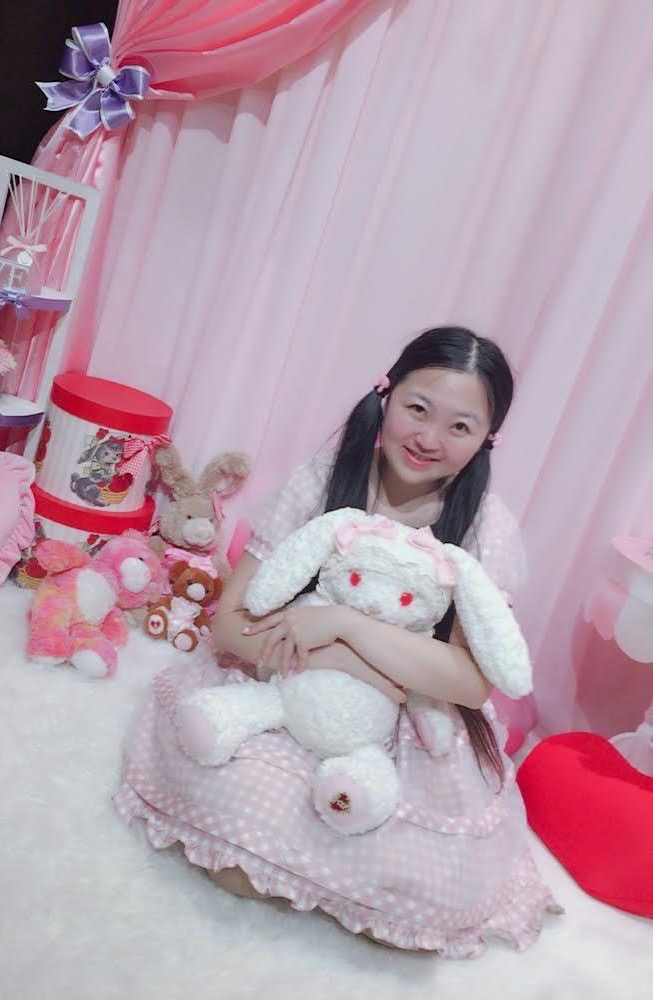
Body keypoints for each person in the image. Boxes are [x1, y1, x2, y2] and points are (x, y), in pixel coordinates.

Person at [116, 326, 561, 959]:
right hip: (284, 680)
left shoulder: (486, 526)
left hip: (408, 719)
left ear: (487, 438)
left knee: (422, 897)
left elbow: (468, 681)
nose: (429, 439)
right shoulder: (325, 480)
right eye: (418, 409)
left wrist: (346, 627)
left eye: (460, 427)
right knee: (235, 856)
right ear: (387, 394)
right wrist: (332, 657)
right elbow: (230, 622)